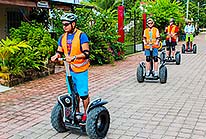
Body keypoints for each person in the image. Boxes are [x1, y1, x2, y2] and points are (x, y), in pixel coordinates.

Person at [51, 13, 90, 124]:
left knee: (83, 94)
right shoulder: (62, 37)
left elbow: (86, 53)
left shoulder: (82, 35)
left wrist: (74, 57)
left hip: (81, 70)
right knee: (73, 94)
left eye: (66, 24)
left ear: (73, 24)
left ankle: (87, 115)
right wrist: (56, 56)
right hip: (69, 70)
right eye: (63, 25)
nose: (64, 27)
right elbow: (59, 51)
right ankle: (76, 113)